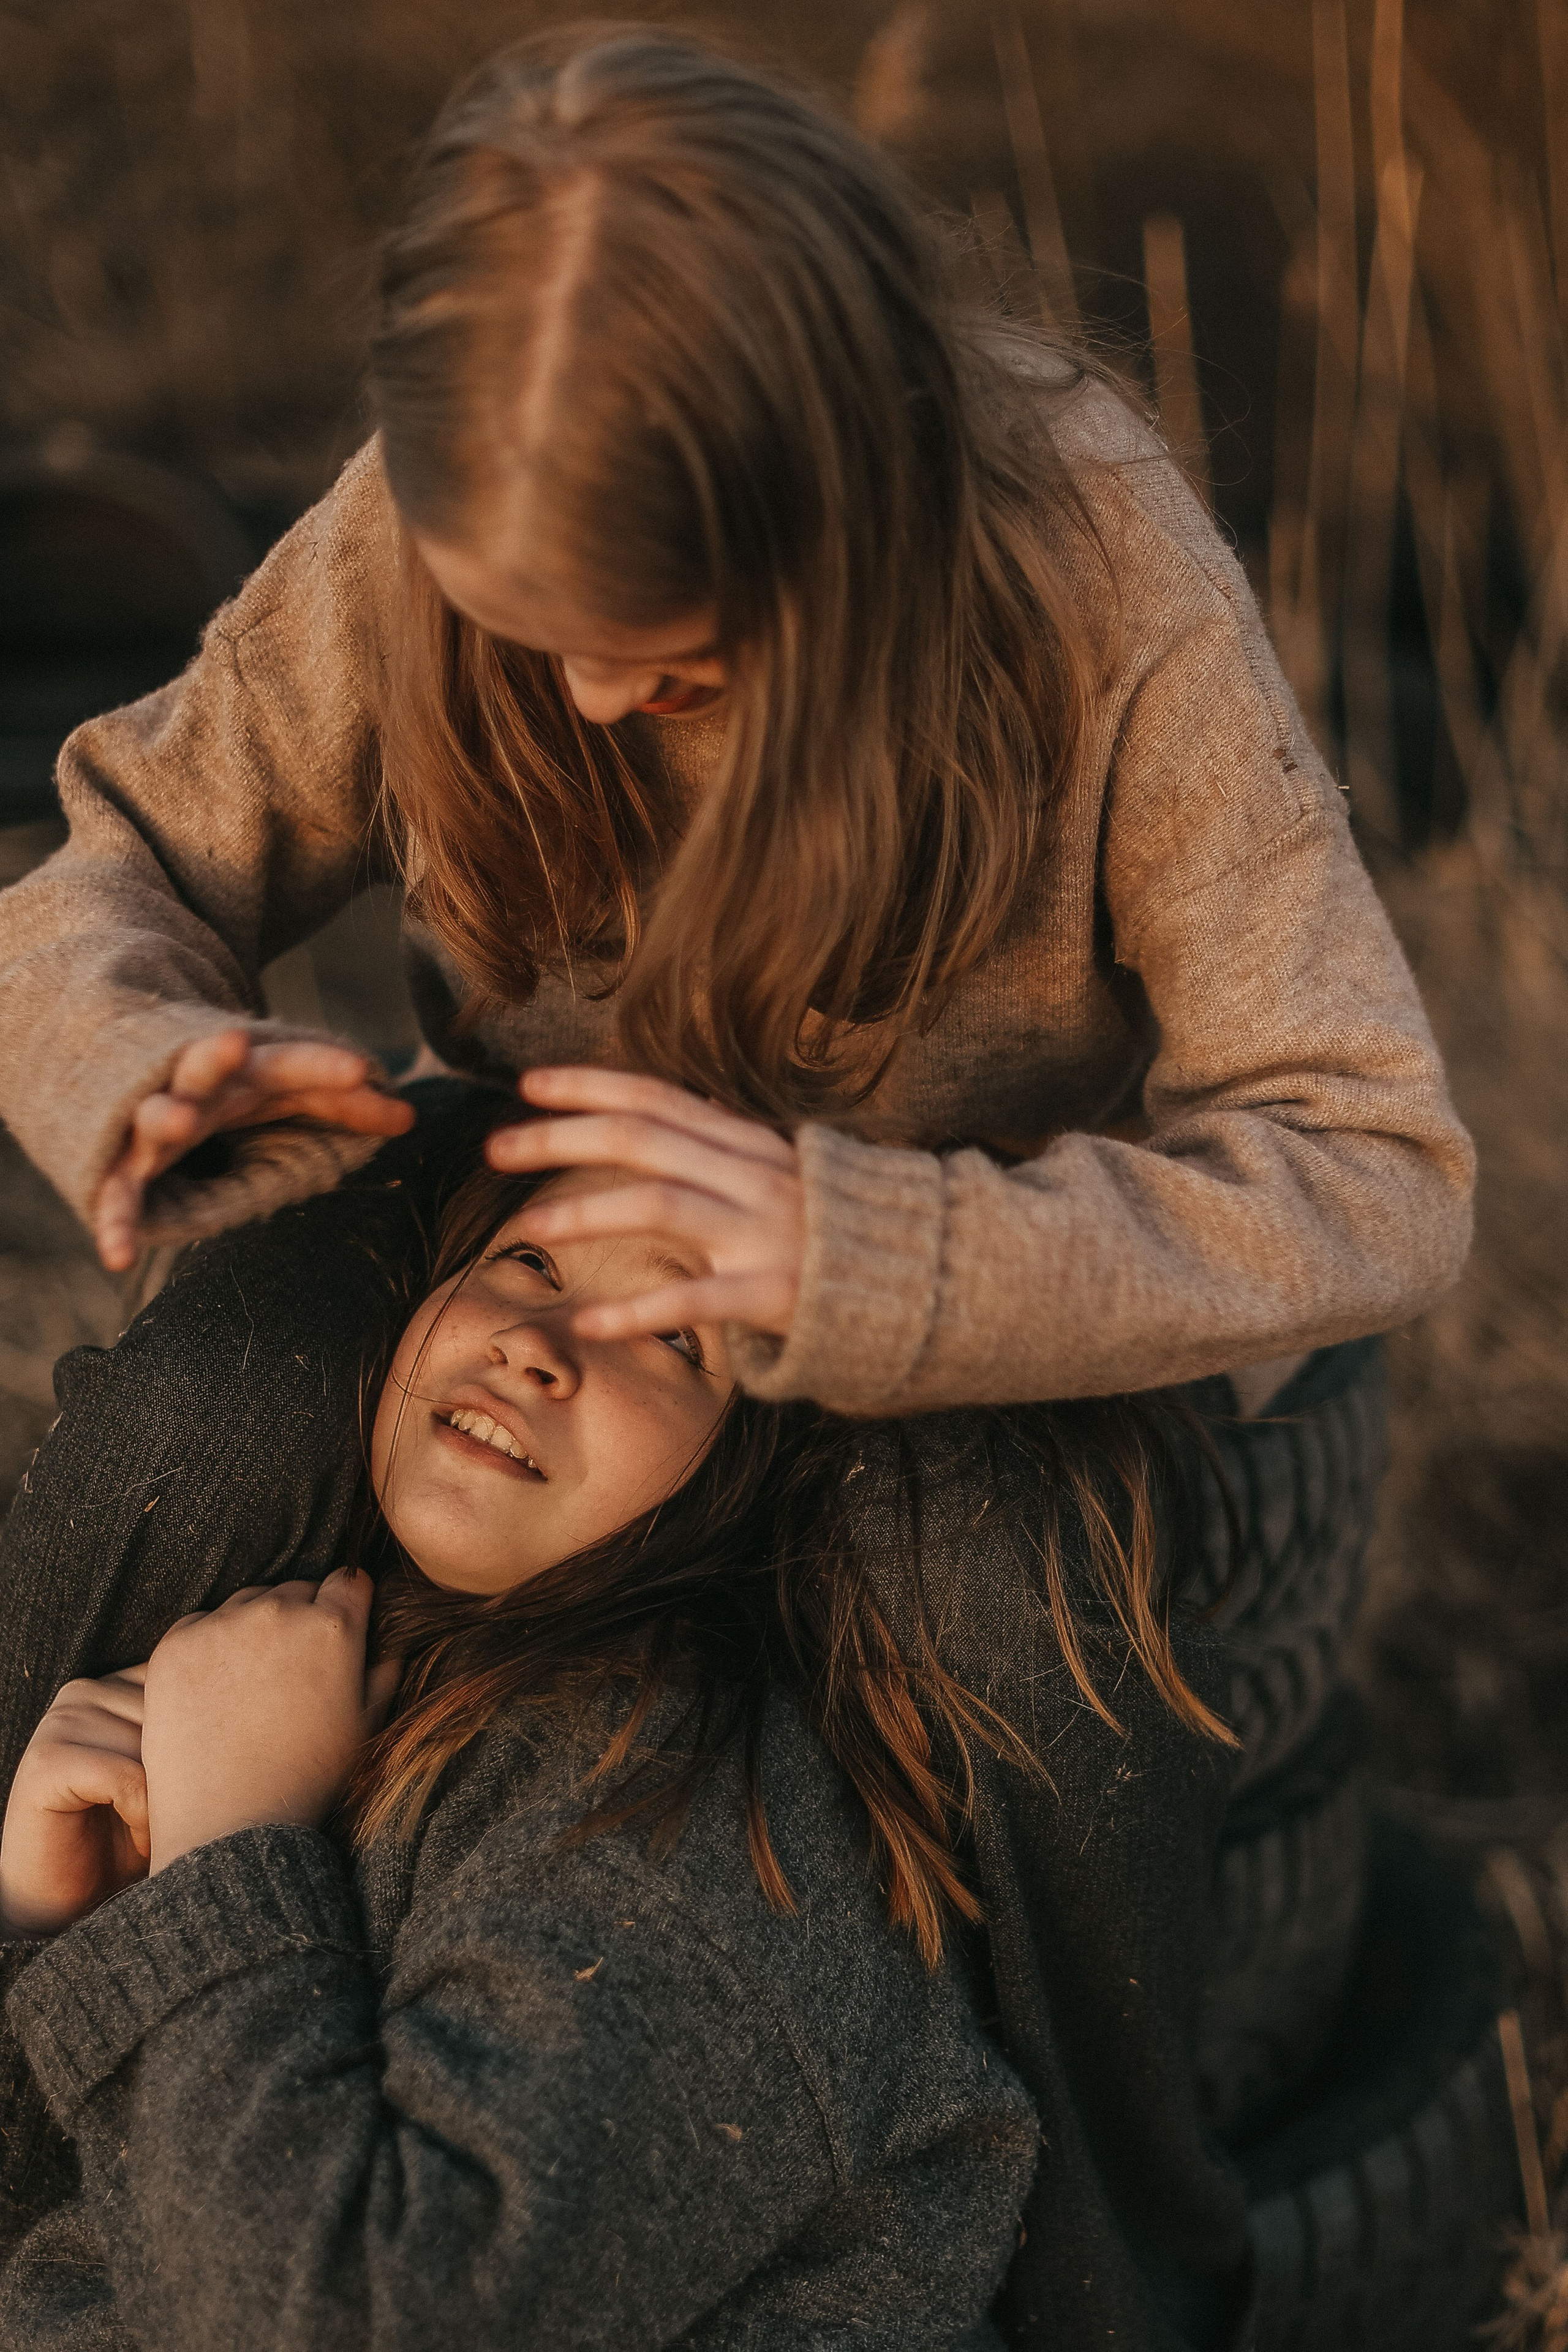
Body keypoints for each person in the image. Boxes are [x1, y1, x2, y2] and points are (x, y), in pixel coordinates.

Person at [0, 22, 1470, 2344]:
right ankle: (51, 2000)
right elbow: (125, 855)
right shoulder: (452, 502)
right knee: (211, 1404)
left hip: (985, 1305)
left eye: (655, 654)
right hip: (538, 1211)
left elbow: (1377, 1168)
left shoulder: (1091, 570)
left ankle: (1115, 2270)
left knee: (1005, 1623)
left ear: (851, 520)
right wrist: (152, 1061)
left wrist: (872, 1257)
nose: (578, 704)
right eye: (525, 629)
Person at [0, 1151, 1232, 2351]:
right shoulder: (350, 1684)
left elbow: (335, 2320)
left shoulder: (699, 1839)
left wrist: (229, 1853)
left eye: (669, 1334)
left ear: (750, 1475)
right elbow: (116, 2240)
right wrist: (78, 1921)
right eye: (529, 1258)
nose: (538, 1339)